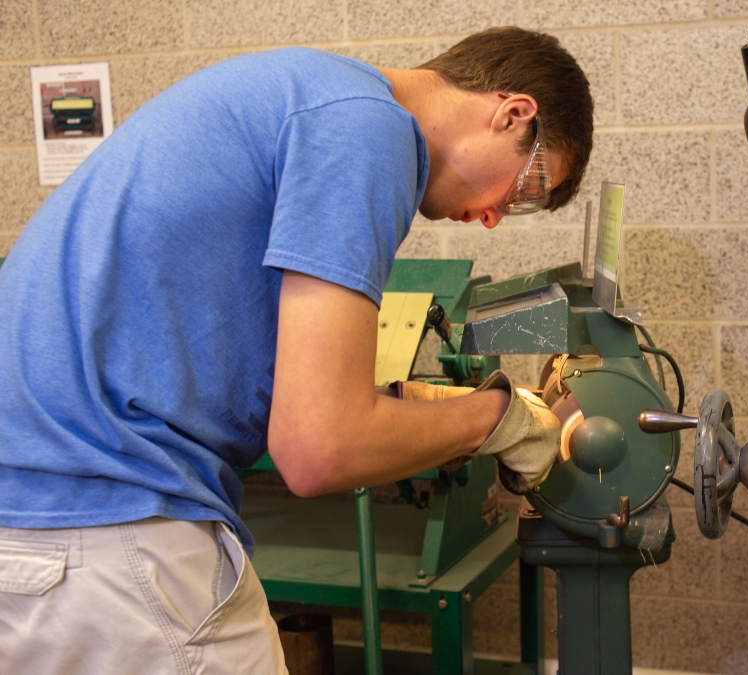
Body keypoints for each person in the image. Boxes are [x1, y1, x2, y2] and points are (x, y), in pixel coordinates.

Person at [0, 27, 593, 674]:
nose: (498, 215)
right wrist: (498, 418)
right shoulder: (366, 129)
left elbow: (288, 389)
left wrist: (422, 404)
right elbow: (319, 448)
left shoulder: (313, 93)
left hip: (38, 520)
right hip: (106, 528)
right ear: (513, 113)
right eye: (529, 185)